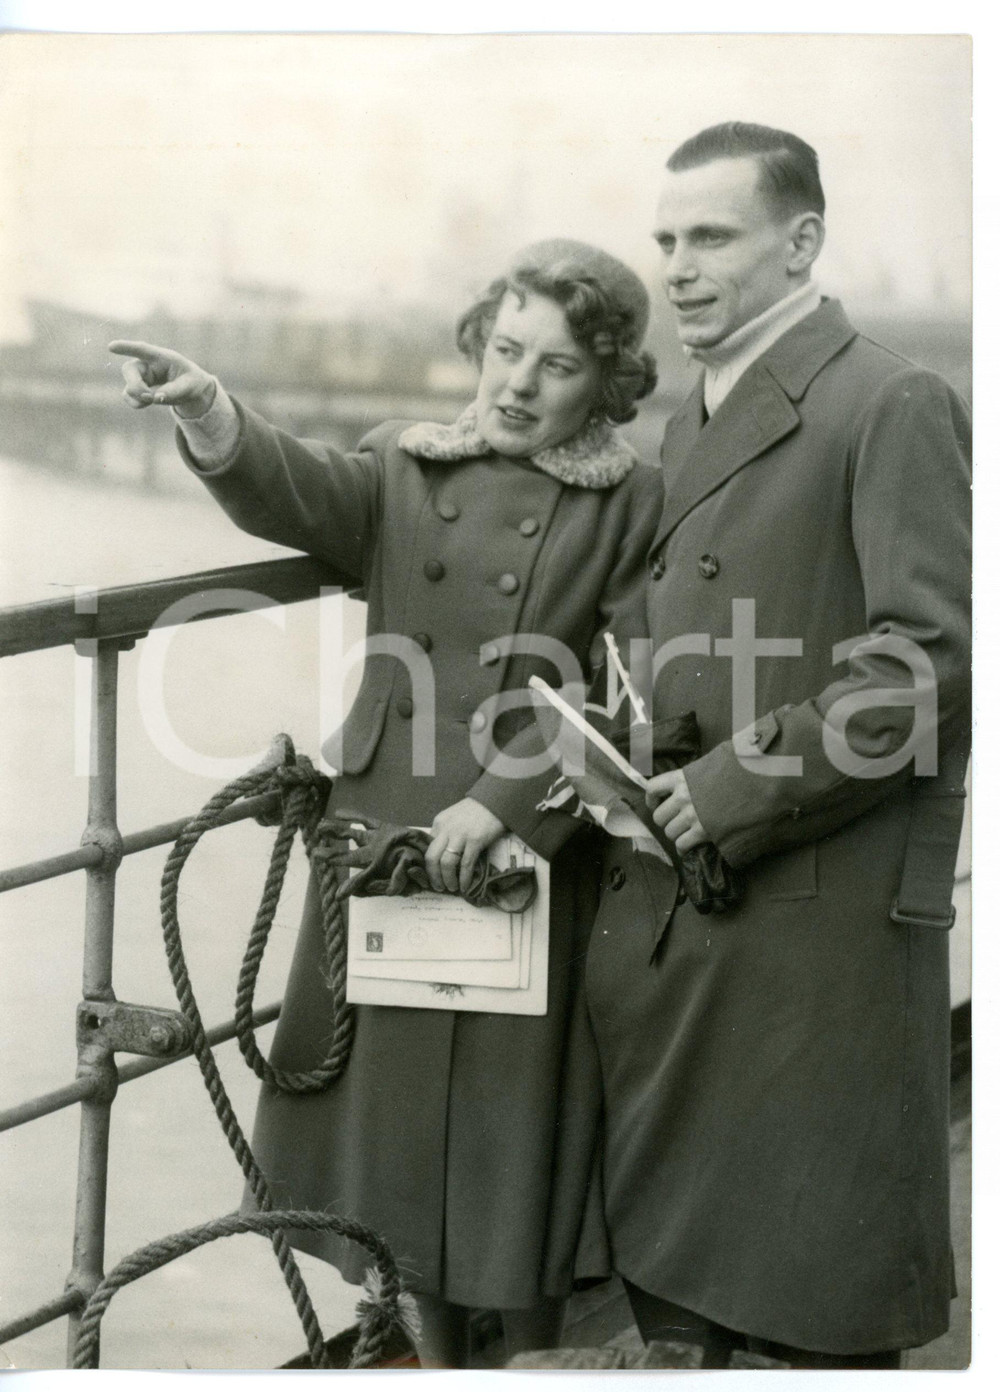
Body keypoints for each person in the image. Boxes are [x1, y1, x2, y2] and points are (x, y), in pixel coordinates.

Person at [110, 238, 663, 1368]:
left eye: (556, 366)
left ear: (605, 385)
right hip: (387, 842)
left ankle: (519, 1361)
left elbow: (632, 691)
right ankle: (426, 1355)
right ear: (477, 344)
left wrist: (504, 803)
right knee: (399, 1158)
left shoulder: (630, 501)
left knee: (508, 1159)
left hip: (524, 853)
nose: (517, 383)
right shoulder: (402, 466)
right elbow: (293, 487)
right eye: (504, 349)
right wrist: (211, 409)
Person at [583, 123, 971, 1369]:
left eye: (711, 237)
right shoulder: (694, 416)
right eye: (665, 241)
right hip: (703, 897)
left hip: (810, 910)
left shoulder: (889, 400)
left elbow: (926, 664)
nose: (677, 268)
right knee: (693, 1280)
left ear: (801, 243)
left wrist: (733, 785)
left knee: (811, 1289)